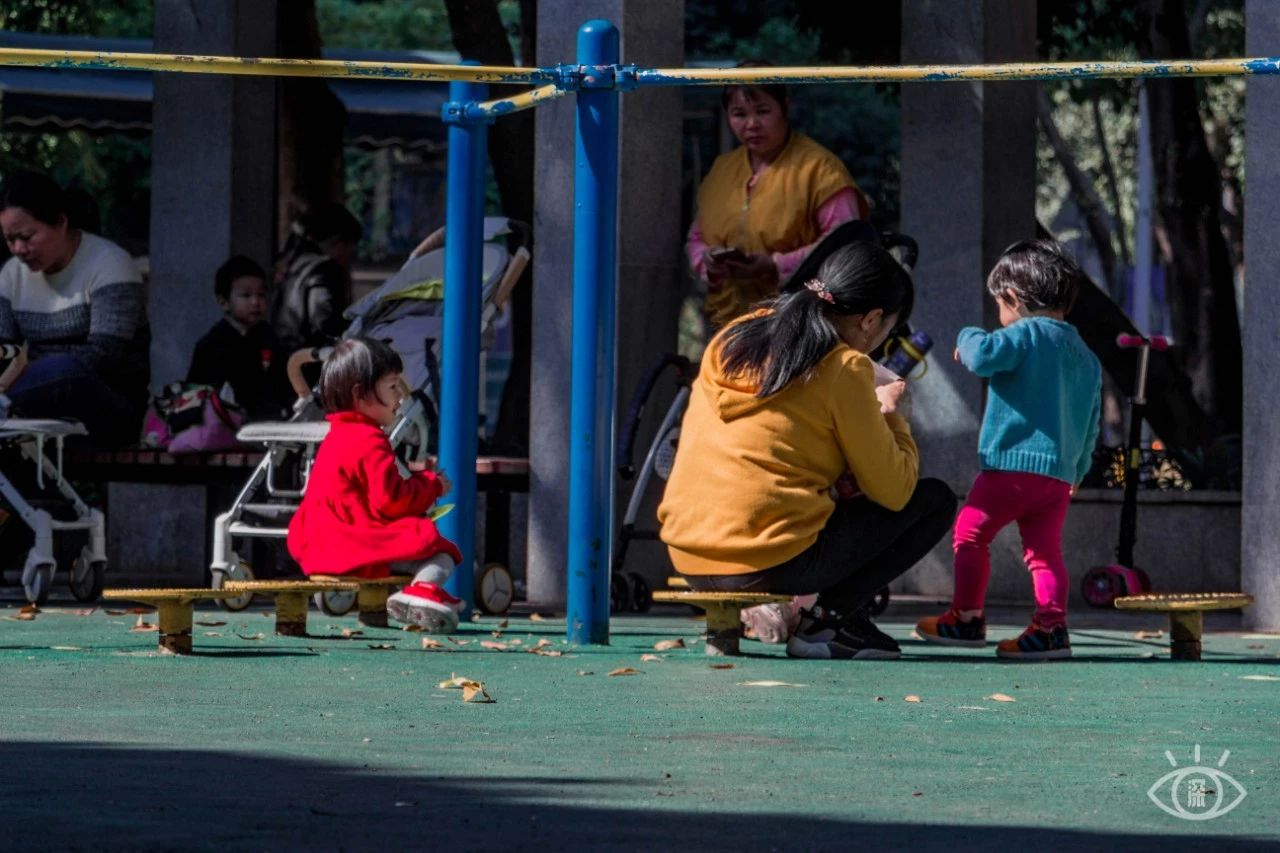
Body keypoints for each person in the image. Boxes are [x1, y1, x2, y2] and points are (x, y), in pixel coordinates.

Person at [657, 243, 957, 660]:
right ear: (870, 320)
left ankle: (784, 620)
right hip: (764, 559)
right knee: (933, 500)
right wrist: (893, 416)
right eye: (886, 328)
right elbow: (895, 492)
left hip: (687, 554)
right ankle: (827, 623)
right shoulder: (844, 368)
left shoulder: (732, 337)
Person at [916, 240, 1102, 661]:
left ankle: (966, 618)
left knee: (969, 533)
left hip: (1011, 467)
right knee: (1044, 553)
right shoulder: (1086, 356)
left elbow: (982, 357)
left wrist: (966, 337)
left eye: (999, 304)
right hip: (1059, 476)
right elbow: (1091, 424)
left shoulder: (1024, 334)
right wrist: (1077, 471)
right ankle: (1052, 629)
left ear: (1012, 298)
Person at [286, 337, 464, 632]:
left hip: (317, 543)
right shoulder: (370, 440)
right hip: (352, 541)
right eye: (392, 387)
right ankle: (421, 590)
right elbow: (391, 500)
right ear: (361, 395)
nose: (400, 397)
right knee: (440, 549)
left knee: (408, 538)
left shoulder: (334, 437)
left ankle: (402, 596)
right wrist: (431, 485)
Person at [687, 62, 870, 330]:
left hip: (799, 324)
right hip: (727, 324)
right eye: (739, 113)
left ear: (785, 107)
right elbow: (696, 238)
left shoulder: (820, 169)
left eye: (762, 111)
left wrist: (775, 265)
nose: (751, 124)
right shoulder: (722, 169)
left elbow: (845, 248)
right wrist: (708, 261)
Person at [0, 171, 149, 447]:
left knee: (65, 369)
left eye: (26, 236)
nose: (18, 249)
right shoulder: (11, 275)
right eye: (10, 240)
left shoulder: (110, 264)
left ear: (60, 222)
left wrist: (26, 370)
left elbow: (104, 356)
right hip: (29, 408)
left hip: (107, 409)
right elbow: (3, 350)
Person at [188, 255, 291, 421]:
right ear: (224, 302)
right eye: (246, 295)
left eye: (261, 295)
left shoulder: (269, 336)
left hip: (268, 421)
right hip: (225, 424)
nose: (255, 302)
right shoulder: (212, 344)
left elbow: (282, 382)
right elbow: (198, 390)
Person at [272, 202, 362, 355]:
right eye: (349, 247)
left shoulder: (291, 263)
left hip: (285, 357)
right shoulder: (324, 269)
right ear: (339, 243)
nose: (349, 256)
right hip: (309, 361)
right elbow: (324, 322)